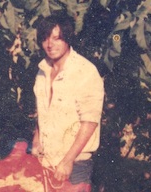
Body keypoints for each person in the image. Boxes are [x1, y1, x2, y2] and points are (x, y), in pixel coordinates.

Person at [31, 14, 104, 192]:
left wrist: (68, 160)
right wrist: (36, 141)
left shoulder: (85, 71)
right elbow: (43, 113)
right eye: (45, 38)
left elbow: (90, 121)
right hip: (45, 162)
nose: (50, 44)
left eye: (57, 38)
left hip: (75, 163)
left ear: (68, 38)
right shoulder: (42, 71)